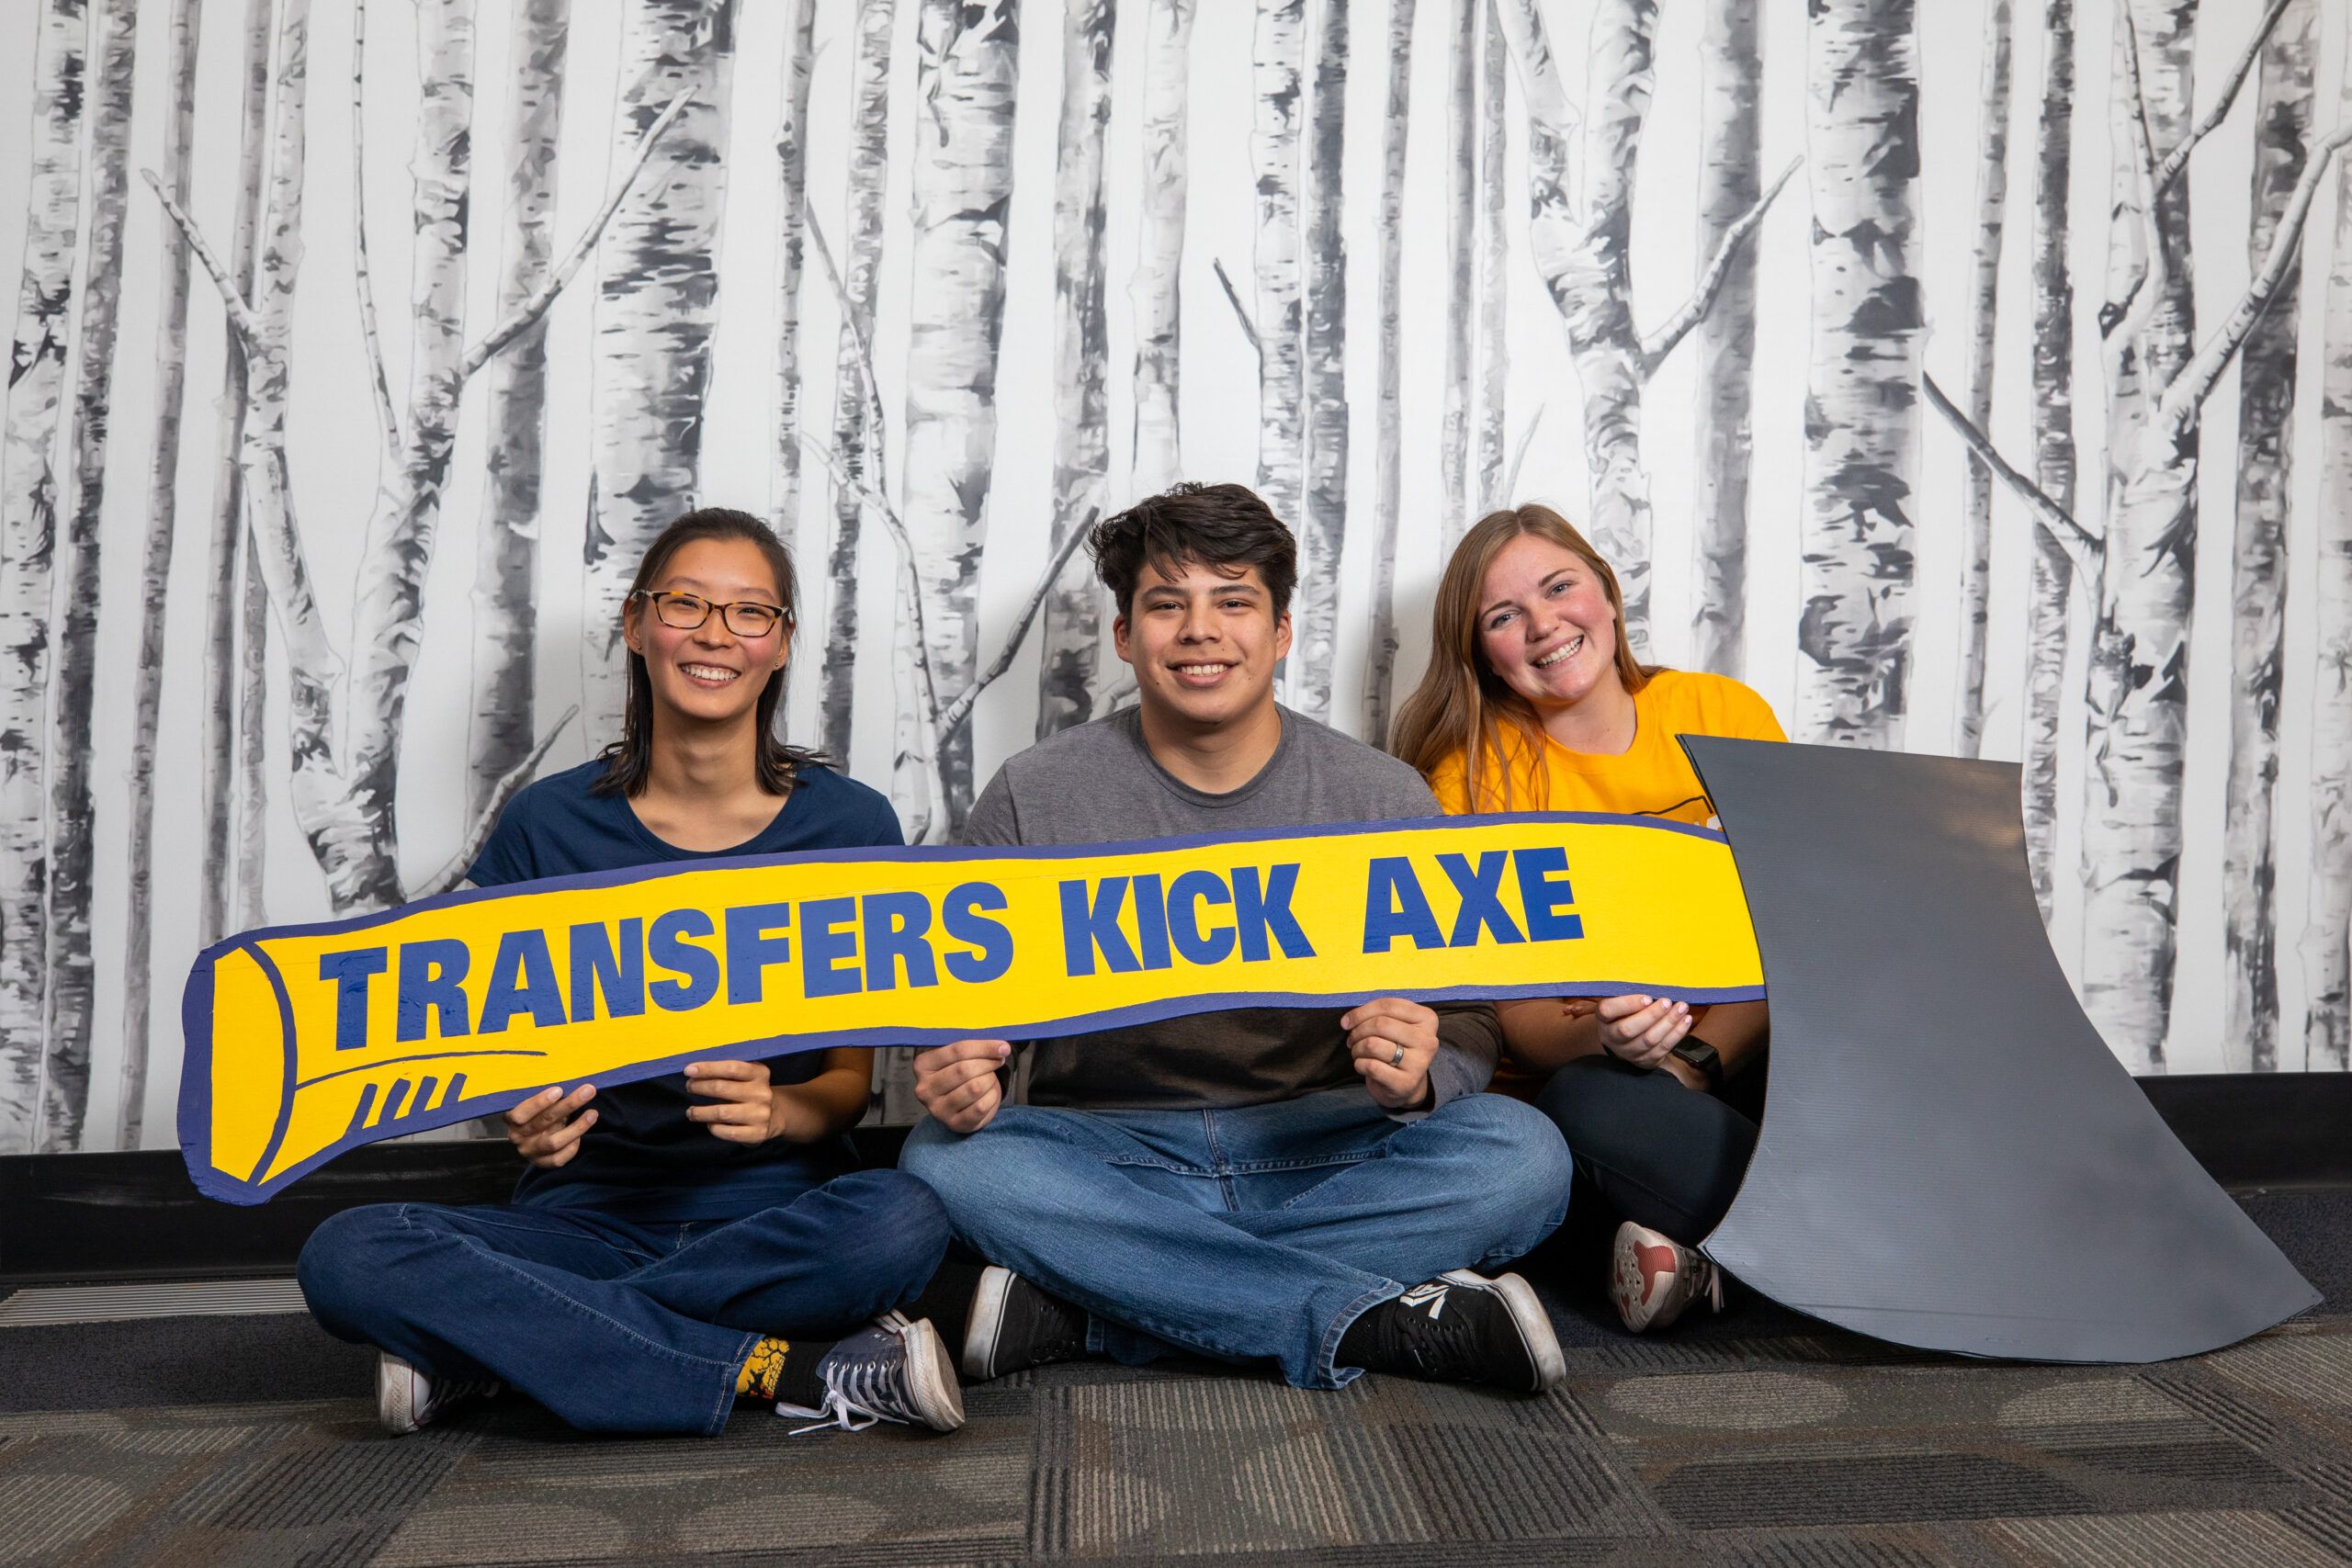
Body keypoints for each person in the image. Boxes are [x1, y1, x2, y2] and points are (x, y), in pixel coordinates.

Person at [299, 508, 962, 1438]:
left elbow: (849, 1083)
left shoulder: (851, 826)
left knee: (903, 1219)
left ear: (780, 646)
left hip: (780, 1214)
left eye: (747, 613)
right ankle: (787, 1366)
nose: (713, 634)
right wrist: (516, 1111)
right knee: (347, 1253)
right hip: (583, 1213)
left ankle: (499, 1349)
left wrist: (782, 1110)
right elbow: (494, 1055)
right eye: (684, 603)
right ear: (636, 624)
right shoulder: (545, 825)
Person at [899, 482, 1572, 1395]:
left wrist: (1422, 1069)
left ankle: (1102, 1308)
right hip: (1112, 1157)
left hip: (1325, 1147)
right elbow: (956, 1015)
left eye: (1233, 601)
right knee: (944, 1161)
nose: (1199, 630)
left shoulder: (1383, 799)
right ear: (1125, 637)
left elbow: (1467, 1017)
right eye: (1166, 604)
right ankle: (1370, 1319)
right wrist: (955, 1068)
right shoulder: (1036, 793)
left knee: (1522, 1155)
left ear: (1282, 632)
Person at [1391, 503, 1784, 1336]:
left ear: (1605, 591)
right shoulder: (1470, 783)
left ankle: (1682, 1251)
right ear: (1483, 655)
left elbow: (1801, 933)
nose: (1543, 625)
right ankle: (1814, 1237)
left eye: (1559, 587)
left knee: (1868, 1013)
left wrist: (1695, 1060)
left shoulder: (1722, 714)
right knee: (1588, 1104)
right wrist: (1609, 1044)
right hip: (1585, 1082)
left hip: (1738, 1047)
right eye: (1503, 616)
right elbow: (1519, 1023)